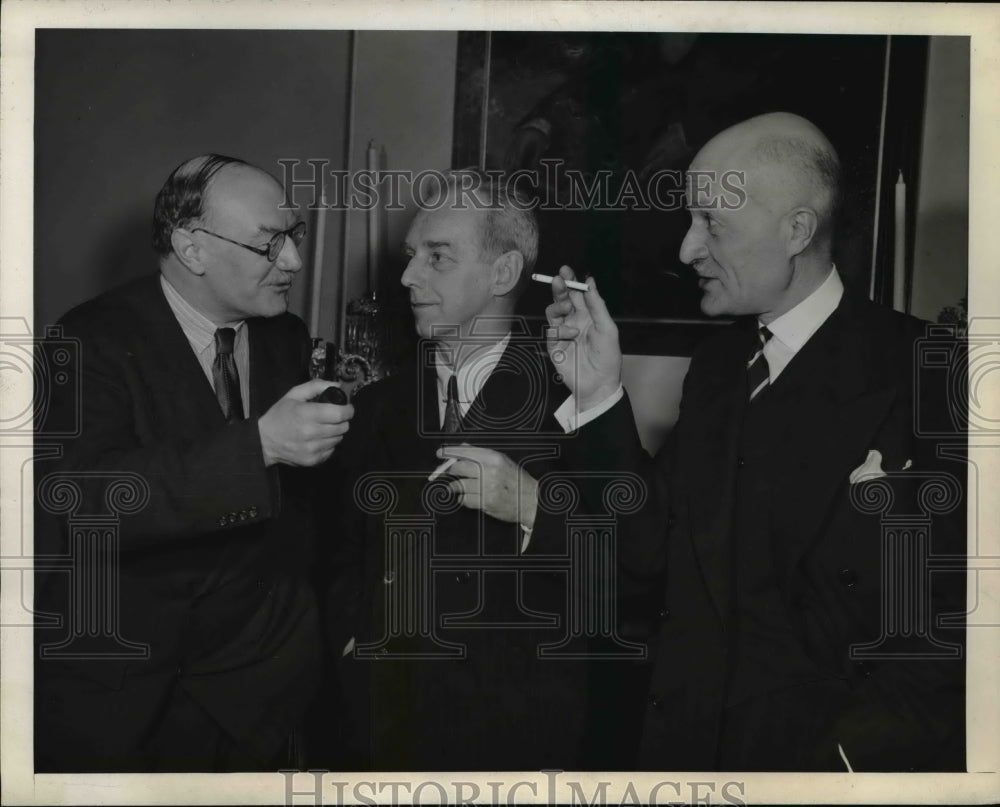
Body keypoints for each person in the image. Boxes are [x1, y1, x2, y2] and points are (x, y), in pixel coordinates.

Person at [544, 112, 966, 771]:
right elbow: (649, 555)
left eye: (711, 221)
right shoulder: (718, 370)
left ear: (795, 230)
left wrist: (847, 765)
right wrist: (598, 394)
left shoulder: (931, 372)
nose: (686, 249)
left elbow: (962, 621)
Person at [34, 154, 354, 772]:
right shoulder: (88, 340)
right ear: (192, 247)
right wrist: (257, 445)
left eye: (295, 236)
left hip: (261, 693)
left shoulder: (284, 337)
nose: (291, 261)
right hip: (140, 697)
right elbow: (77, 500)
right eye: (269, 243)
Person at [326, 172, 620, 771]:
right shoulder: (378, 407)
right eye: (411, 257)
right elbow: (338, 553)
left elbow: (630, 571)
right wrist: (348, 641)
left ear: (504, 274)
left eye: (437, 258)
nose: (408, 278)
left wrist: (535, 507)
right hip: (384, 734)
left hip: (516, 741)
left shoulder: (575, 396)